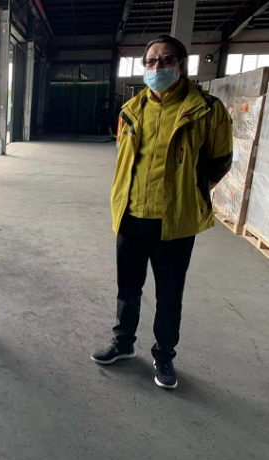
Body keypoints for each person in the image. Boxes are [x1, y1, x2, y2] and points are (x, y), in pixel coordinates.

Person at [91, 35, 233, 390]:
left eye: (166, 60)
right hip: (132, 214)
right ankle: (123, 343)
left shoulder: (207, 109)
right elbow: (126, 159)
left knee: (169, 294)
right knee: (128, 288)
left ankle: (164, 355)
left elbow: (220, 161)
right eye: (151, 61)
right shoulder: (132, 109)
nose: (157, 66)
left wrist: (189, 191)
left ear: (181, 65)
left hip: (174, 220)